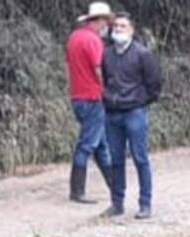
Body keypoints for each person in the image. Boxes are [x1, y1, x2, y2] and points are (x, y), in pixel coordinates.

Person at [101, 12, 161, 219]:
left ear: (132, 30)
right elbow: (105, 80)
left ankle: (145, 204)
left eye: (123, 26)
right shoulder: (107, 54)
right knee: (116, 160)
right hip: (112, 113)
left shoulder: (142, 54)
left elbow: (154, 83)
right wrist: (108, 100)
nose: (118, 29)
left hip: (134, 112)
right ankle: (116, 203)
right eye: (116, 26)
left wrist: (141, 102)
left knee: (140, 158)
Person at [65, 2, 115, 203]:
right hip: (93, 97)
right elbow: (98, 69)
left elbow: (68, 67)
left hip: (78, 96)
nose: (107, 26)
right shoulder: (94, 40)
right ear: (100, 20)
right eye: (106, 22)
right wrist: (109, 90)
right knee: (87, 145)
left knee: (100, 144)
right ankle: (77, 191)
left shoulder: (74, 37)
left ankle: (115, 186)